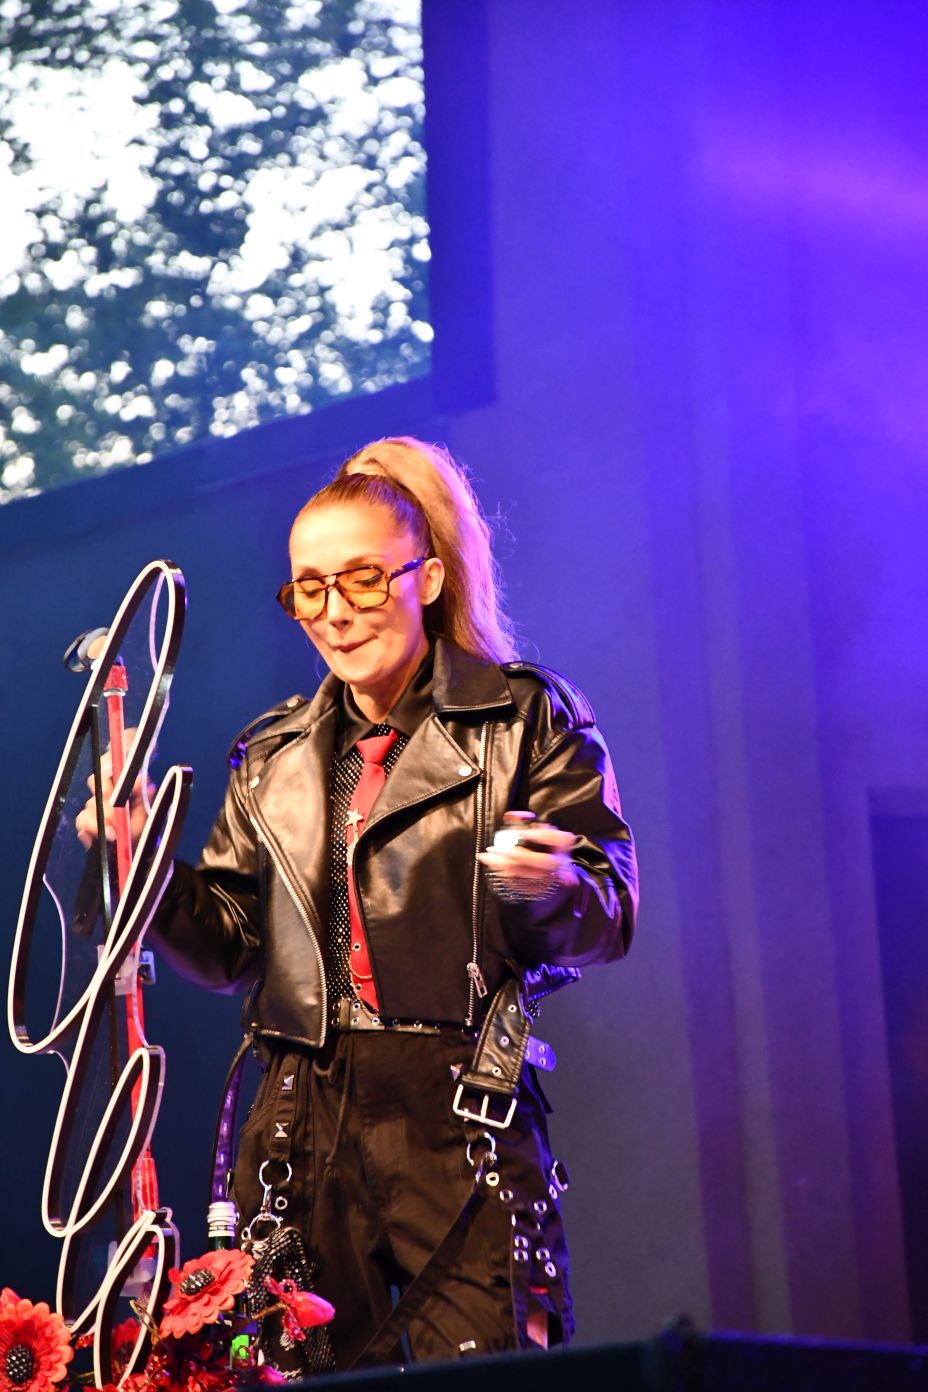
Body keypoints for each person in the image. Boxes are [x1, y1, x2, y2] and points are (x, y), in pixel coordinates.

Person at [78, 436, 638, 1367]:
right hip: (298, 1120)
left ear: (428, 579)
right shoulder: (274, 755)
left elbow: (608, 912)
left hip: (460, 1109)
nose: (334, 613)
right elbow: (227, 947)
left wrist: (552, 883)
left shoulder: (522, 718)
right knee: (290, 1370)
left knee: (494, 1367)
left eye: (364, 580)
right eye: (309, 589)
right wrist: (144, 862)